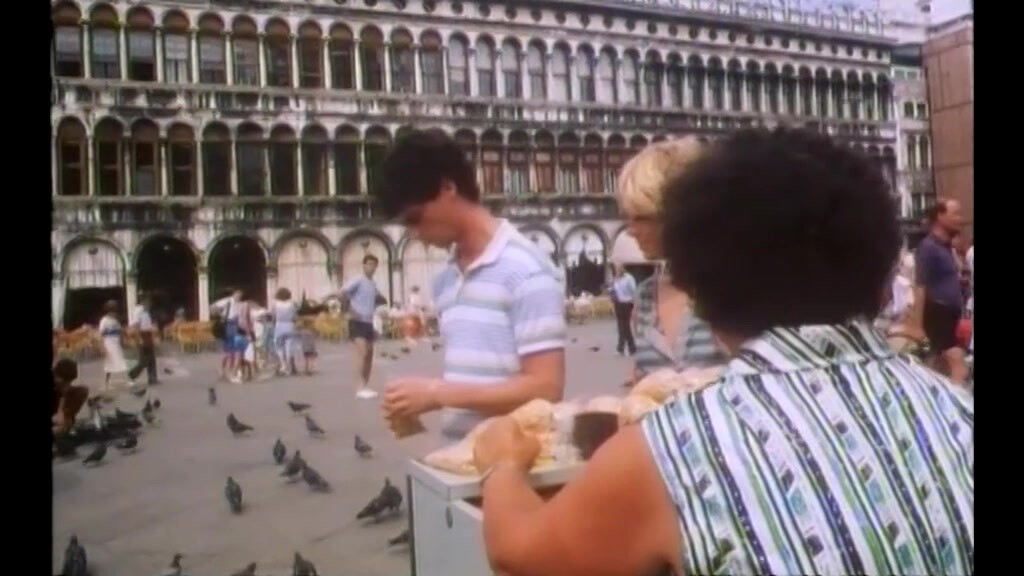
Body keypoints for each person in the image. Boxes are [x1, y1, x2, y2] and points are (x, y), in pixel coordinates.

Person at [472, 127, 974, 576]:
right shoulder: (957, 410)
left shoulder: (671, 452)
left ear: (699, 283)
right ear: (881, 276)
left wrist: (503, 466)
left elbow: (521, 554)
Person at [377, 130, 566, 440]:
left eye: (415, 218)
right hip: (458, 457)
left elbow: (546, 388)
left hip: (515, 457)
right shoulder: (446, 279)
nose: (414, 233)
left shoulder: (525, 270)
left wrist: (437, 393)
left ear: (448, 187)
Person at [616, 138, 728, 385]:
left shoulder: (730, 288)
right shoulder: (645, 296)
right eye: (628, 217)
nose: (631, 230)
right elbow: (643, 380)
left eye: (642, 217)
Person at [911, 199, 969, 385]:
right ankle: (958, 399)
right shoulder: (928, 247)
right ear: (940, 216)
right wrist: (917, 325)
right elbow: (920, 286)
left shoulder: (945, 246)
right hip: (938, 314)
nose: (959, 219)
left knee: (939, 366)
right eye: (955, 214)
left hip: (950, 315)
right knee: (957, 363)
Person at [332, 254, 383, 399]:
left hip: (368, 322)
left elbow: (374, 302)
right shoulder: (358, 280)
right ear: (364, 265)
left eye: (374, 265)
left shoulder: (373, 284)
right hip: (356, 321)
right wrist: (349, 309)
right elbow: (341, 293)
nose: (371, 267)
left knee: (370, 355)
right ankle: (359, 387)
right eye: (369, 264)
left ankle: (365, 386)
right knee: (363, 353)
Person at [98, 300, 132, 390]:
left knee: (121, 361)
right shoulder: (104, 321)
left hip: (116, 344)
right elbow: (101, 334)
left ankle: (128, 379)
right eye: (112, 311)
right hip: (108, 344)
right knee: (109, 363)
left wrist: (123, 341)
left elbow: (120, 332)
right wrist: (102, 347)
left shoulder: (115, 321)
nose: (114, 313)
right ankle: (106, 383)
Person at [127, 295, 158, 387]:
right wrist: (139, 339)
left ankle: (152, 378)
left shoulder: (146, 311)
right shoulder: (138, 311)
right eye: (148, 301)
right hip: (142, 334)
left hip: (148, 334)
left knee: (151, 358)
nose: (150, 304)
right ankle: (132, 374)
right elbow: (136, 326)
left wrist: (153, 336)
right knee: (143, 360)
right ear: (143, 301)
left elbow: (148, 324)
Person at [53, 358, 89, 434]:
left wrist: (62, 412)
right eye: (65, 381)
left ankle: (64, 424)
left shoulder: (64, 384)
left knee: (82, 391)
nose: (68, 384)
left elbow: (64, 393)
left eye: (69, 381)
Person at [609, 265, 637, 356]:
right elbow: (612, 290)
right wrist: (611, 293)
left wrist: (635, 305)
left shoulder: (629, 278)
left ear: (623, 268)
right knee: (621, 327)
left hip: (627, 303)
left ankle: (627, 348)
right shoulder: (616, 279)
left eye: (619, 267)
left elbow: (634, 291)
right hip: (618, 304)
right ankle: (626, 348)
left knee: (625, 327)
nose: (617, 269)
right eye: (616, 268)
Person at [272, 287, 298, 375]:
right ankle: (291, 366)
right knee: (289, 346)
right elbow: (295, 316)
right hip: (290, 325)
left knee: (279, 346)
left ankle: (283, 364)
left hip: (279, 325)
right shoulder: (291, 305)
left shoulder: (275, 305)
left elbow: (273, 316)